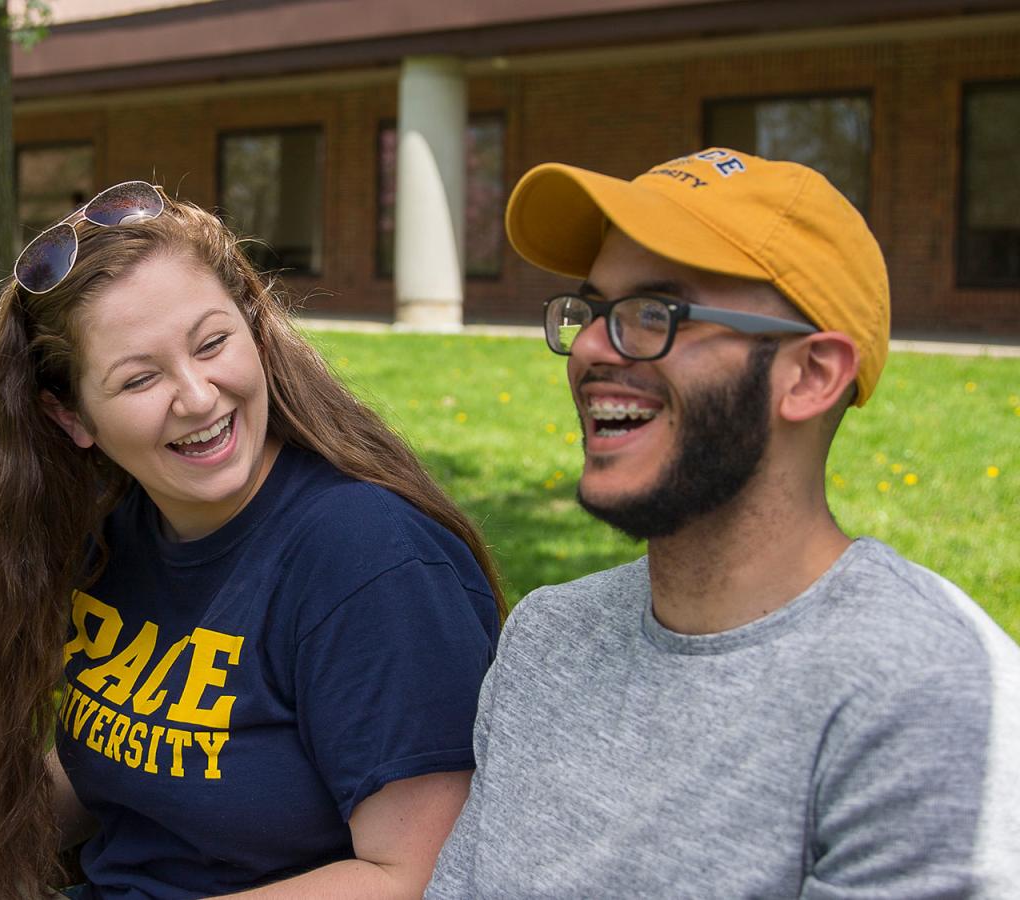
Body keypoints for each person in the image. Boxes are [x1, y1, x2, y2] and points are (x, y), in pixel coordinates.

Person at [0, 183, 505, 900]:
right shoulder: (117, 527)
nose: (199, 396)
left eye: (212, 344)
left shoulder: (370, 561)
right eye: (140, 377)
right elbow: (121, 764)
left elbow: (415, 875)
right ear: (72, 417)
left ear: (256, 332)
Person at [426, 149, 1020, 897]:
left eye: (655, 314)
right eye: (594, 311)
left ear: (810, 375)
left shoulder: (924, 694)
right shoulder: (547, 641)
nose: (587, 348)